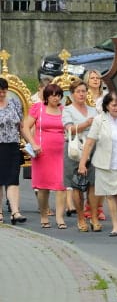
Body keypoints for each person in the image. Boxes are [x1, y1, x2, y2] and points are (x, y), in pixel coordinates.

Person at [78, 91, 117, 236]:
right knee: (110, 195)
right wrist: (82, 163)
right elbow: (90, 142)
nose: (116, 108)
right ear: (107, 106)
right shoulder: (99, 120)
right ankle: (115, 225)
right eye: (113, 105)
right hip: (105, 164)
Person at [23, 83, 67, 229]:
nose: (56, 98)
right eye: (53, 95)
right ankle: (43, 215)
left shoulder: (64, 110)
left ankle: (60, 217)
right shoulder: (38, 108)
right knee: (43, 187)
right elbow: (25, 127)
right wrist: (33, 143)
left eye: (58, 95)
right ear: (47, 96)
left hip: (61, 152)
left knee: (61, 186)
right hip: (42, 153)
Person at [62, 79, 100, 232]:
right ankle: (80, 218)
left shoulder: (93, 110)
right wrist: (86, 124)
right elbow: (69, 129)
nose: (81, 94)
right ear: (72, 94)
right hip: (74, 149)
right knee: (76, 184)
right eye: (78, 91)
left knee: (93, 183)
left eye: (84, 91)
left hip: (92, 147)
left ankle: (94, 217)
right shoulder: (68, 110)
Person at [0, 77, 27, 224]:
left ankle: (15, 212)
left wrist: (31, 143)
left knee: (13, 179)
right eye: (0, 91)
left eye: (4, 91)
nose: (2, 94)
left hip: (12, 146)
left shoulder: (14, 103)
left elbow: (21, 126)